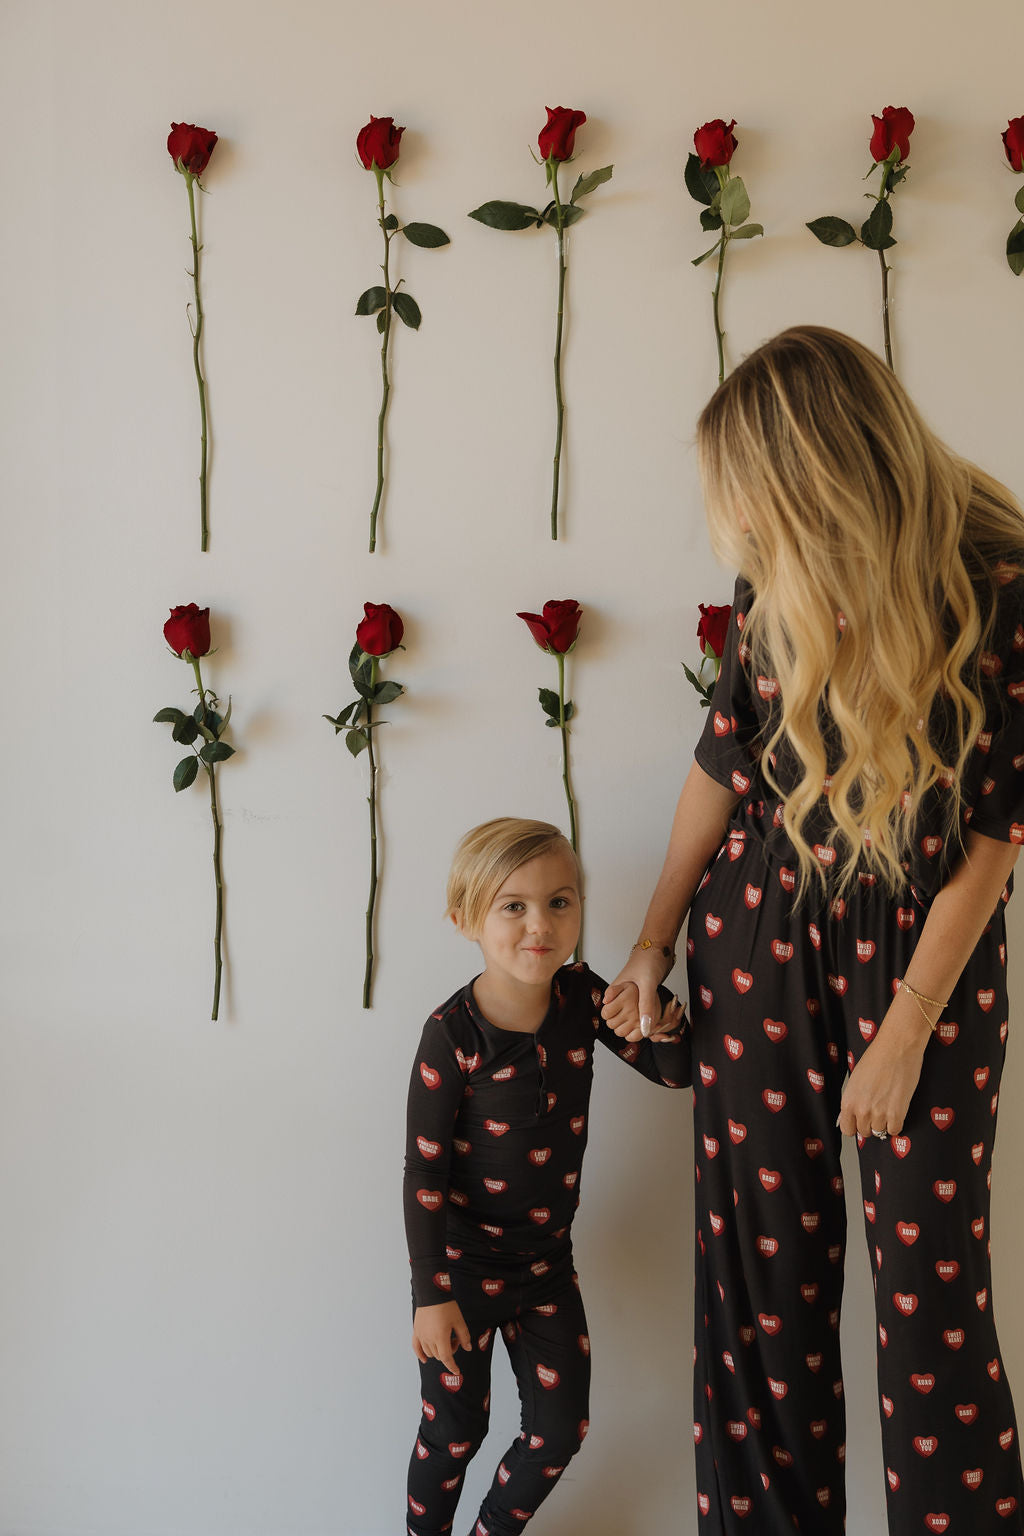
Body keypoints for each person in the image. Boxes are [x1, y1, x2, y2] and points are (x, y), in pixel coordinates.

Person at [602, 326, 1024, 1534]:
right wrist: (651, 941)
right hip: (757, 941)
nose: (734, 520)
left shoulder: (998, 585)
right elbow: (720, 767)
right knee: (758, 1303)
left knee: (932, 1309)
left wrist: (907, 1032)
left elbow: (993, 837)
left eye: (746, 490)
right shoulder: (774, 580)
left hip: (926, 965)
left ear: (814, 471)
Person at [403, 817, 688, 1536]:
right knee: (454, 1435)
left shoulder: (581, 997)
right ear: (466, 918)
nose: (541, 924)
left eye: (560, 902)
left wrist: (663, 1023)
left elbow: (674, 1072)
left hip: (546, 1270)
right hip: (461, 1274)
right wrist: (431, 1295)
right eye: (514, 906)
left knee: (558, 1432)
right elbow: (424, 1172)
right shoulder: (451, 1033)